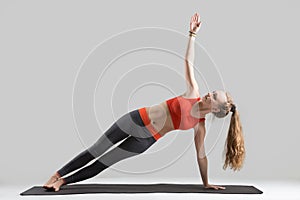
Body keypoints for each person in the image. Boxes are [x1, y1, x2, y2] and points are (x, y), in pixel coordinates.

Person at [43, 13, 245, 192]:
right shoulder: (194, 92)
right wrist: (192, 35)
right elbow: (188, 62)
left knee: (103, 163)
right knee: (96, 149)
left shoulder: (199, 127)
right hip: (135, 119)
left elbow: (201, 157)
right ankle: (57, 174)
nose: (209, 93)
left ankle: (63, 182)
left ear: (216, 108)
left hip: (146, 140)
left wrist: (206, 183)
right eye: (212, 91)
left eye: (214, 96)